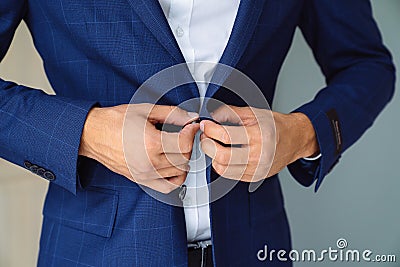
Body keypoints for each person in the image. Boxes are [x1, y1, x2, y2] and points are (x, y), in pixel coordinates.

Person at [0, 0, 395, 266]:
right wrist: (86, 131)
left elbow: (366, 65)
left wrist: (302, 133)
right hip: (94, 249)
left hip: (255, 244)